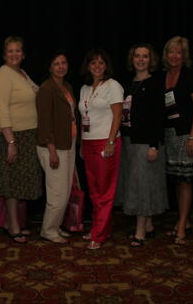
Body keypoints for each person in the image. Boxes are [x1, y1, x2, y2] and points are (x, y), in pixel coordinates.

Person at [0, 36, 42, 243]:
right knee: (11, 184)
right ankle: (13, 226)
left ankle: (11, 222)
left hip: (27, 135)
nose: (14, 54)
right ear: (4, 55)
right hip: (12, 136)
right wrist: (11, 142)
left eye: (17, 50)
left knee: (19, 183)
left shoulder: (21, 74)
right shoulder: (3, 75)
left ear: (23, 54)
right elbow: (1, 111)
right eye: (10, 51)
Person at [115, 44, 168, 247]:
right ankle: (148, 225)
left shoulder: (155, 83)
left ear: (150, 60)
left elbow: (158, 118)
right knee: (137, 185)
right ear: (132, 59)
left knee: (143, 187)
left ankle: (140, 232)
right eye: (137, 56)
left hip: (146, 142)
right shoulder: (129, 84)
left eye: (145, 56)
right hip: (129, 141)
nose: (140, 59)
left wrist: (154, 145)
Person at [162, 36, 193, 245]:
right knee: (178, 178)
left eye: (178, 53)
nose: (174, 56)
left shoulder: (190, 75)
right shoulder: (164, 75)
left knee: (186, 180)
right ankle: (185, 220)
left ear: (184, 56)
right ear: (166, 55)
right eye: (171, 52)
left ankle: (181, 226)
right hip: (171, 134)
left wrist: (192, 136)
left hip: (188, 135)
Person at [78, 48, 123, 250]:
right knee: (94, 190)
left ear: (106, 66)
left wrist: (111, 142)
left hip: (106, 141)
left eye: (101, 62)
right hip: (88, 142)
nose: (97, 66)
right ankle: (100, 227)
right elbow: (83, 118)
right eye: (93, 62)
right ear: (88, 65)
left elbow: (118, 116)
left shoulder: (113, 86)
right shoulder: (84, 88)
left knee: (105, 190)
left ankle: (100, 233)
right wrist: (81, 143)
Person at [36, 51, 77, 244]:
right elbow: (44, 121)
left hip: (68, 144)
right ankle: (48, 230)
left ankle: (55, 226)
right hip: (53, 146)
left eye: (63, 62)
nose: (61, 66)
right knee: (57, 192)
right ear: (50, 67)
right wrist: (51, 149)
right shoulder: (46, 88)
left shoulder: (66, 86)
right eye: (56, 64)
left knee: (65, 190)